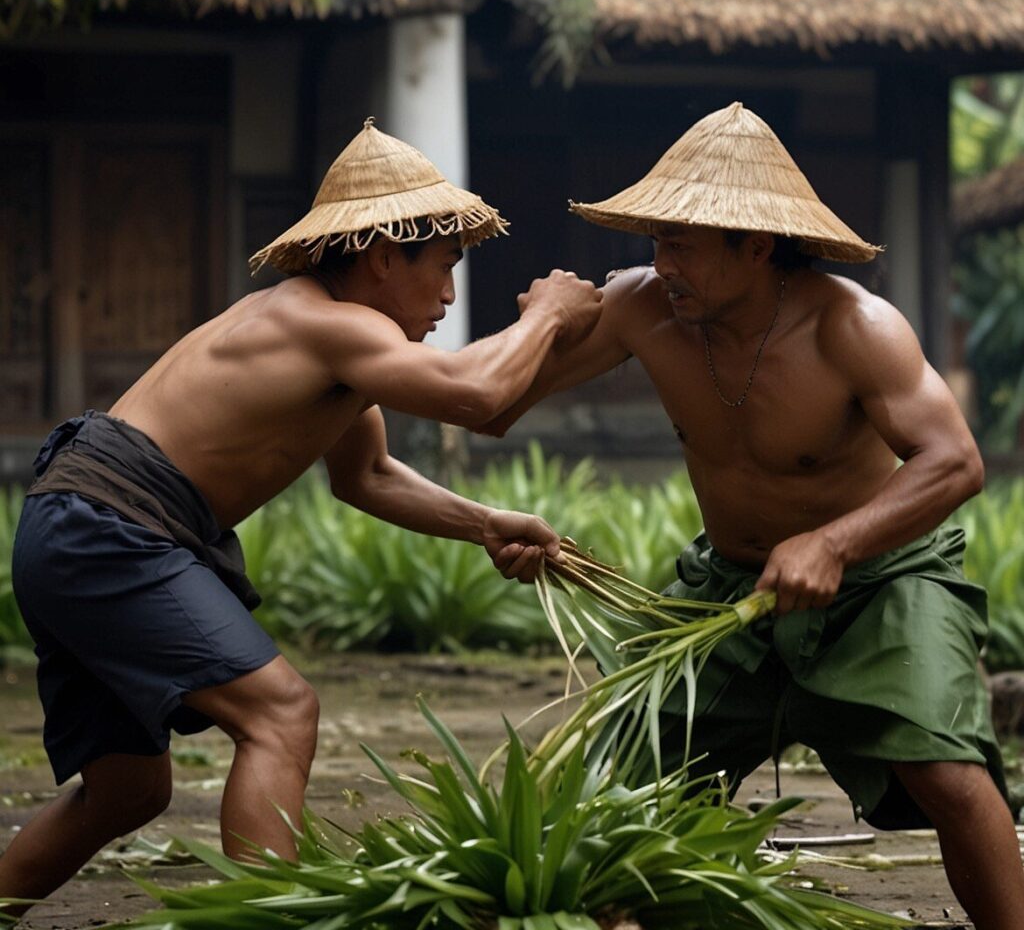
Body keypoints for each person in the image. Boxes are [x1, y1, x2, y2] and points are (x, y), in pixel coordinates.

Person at [0, 118, 601, 916]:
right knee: (282, 714)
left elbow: (370, 477)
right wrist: (548, 314)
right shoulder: (323, 323)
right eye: (445, 269)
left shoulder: (340, 349)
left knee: (127, 792)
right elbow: (481, 398)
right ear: (386, 256)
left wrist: (485, 521)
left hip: (79, 529)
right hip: (107, 525)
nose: (451, 297)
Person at [481, 102, 1024, 930]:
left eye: (682, 246)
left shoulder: (853, 326)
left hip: (881, 578)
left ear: (758, 247)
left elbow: (956, 462)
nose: (661, 264)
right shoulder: (641, 309)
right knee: (618, 787)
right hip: (730, 590)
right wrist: (540, 321)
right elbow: (489, 406)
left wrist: (835, 543)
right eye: (655, 241)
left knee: (946, 771)